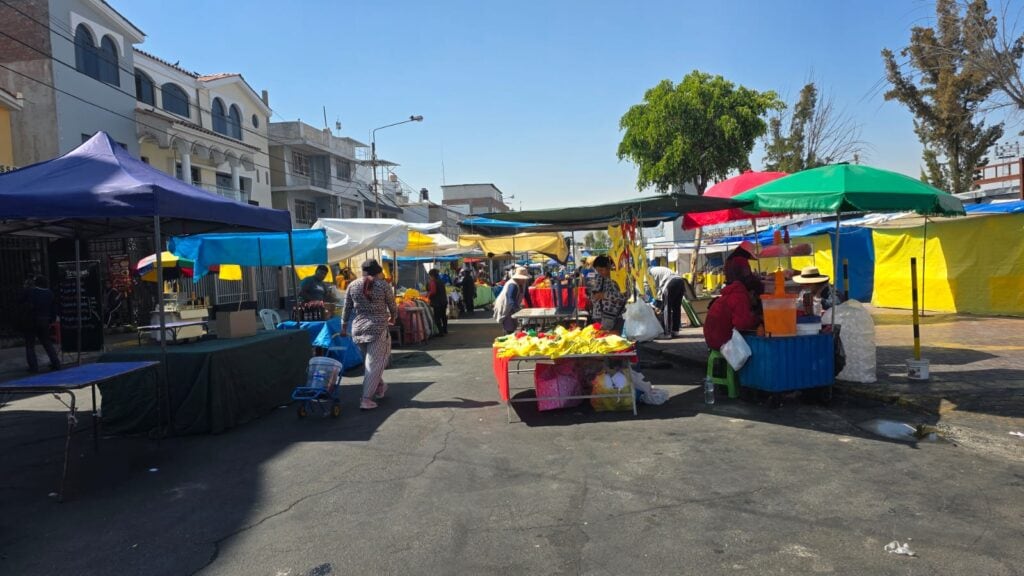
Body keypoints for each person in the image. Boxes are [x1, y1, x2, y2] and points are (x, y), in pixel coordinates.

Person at [340, 260, 397, 410]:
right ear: (377, 271)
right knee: (375, 364)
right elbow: (392, 304)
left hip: (358, 330)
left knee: (370, 362)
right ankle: (366, 399)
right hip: (377, 329)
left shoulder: (352, 285)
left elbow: (346, 308)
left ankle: (380, 386)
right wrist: (394, 317)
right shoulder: (383, 285)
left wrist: (344, 327)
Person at [702, 263, 762, 351]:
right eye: (756, 298)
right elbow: (742, 324)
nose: (755, 302)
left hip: (712, 338)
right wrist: (757, 320)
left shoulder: (734, 293)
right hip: (722, 343)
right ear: (752, 293)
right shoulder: (740, 297)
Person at [20, 275, 61, 373]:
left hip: (31, 321)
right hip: (44, 321)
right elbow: (53, 309)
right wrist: (51, 320)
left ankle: (33, 367)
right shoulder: (49, 293)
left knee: (30, 345)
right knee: (47, 343)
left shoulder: (31, 291)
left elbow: (20, 300)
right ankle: (56, 363)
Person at [587, 255, 627, 333]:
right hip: (598, 316)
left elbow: (623, 296)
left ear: (608, 266)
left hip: (614, 317)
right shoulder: (599, 277)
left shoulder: (618, 277)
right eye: (598, 271)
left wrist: (604, 295)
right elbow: (595, 291)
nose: (600, 273)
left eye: (602, 270)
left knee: (614, 342)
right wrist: (594, 296)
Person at [647, 266, 685, 336]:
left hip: (671, 283)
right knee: (676, 308)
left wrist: (650, 302)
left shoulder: (647, 273)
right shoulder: (656, 270)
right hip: (681, 281)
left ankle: (666, 333)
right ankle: (675, 331)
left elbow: (649, 289)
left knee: (666, 309)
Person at [493, 266, 531, 334]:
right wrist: (518, 311)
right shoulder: (512, 285)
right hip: (506, 305)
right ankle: (507, 339)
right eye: (522, 279)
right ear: (518, 278)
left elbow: (527, 296)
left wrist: (531, 307)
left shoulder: (524, 283)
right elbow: (511, 299)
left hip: (513, 304)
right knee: (509, 326)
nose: (524, 280)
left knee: (514, 325)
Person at [427, 268, 449, 336]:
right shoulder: (441, 281)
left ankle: (440, 331)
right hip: (443, 301)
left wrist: (428, 295)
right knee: (443, 316)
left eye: (430, 275)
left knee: (437, 317)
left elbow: (433, 291)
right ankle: (445, 329)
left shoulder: (433, 281)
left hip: (437, 302)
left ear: (432, 275)